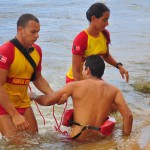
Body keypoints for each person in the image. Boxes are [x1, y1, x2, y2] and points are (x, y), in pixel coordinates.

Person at [30, 55, 133, 141]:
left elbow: (48, 101)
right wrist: (126, 140)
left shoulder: (74, 86)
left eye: (83, 68)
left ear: (88, 70)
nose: (82, 71)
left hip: (79, 139)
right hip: (101, 139)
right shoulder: (114, 90)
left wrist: (34, 96)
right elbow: (128, 115)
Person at [0, 13, 54, 142]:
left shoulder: (37, 51)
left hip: (23, 102)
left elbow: (38, 79)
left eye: (38, 32)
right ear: (20, 30)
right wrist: (14, 114)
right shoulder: (5, 51)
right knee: (16, 145)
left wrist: (53, 95)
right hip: (3, 105)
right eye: (33, 32)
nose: (37, 36)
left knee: (34, 141)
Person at [66, 2, 129, 83]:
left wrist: (119, 66)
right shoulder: (81, 39)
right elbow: (76, 71)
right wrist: (81, 90)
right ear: (93, 18)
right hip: (75, 79)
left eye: (108, 20)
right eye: (104, 20)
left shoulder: (105, 34)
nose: (107, 24)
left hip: (93, 78)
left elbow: (106, 55)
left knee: (111, 94)